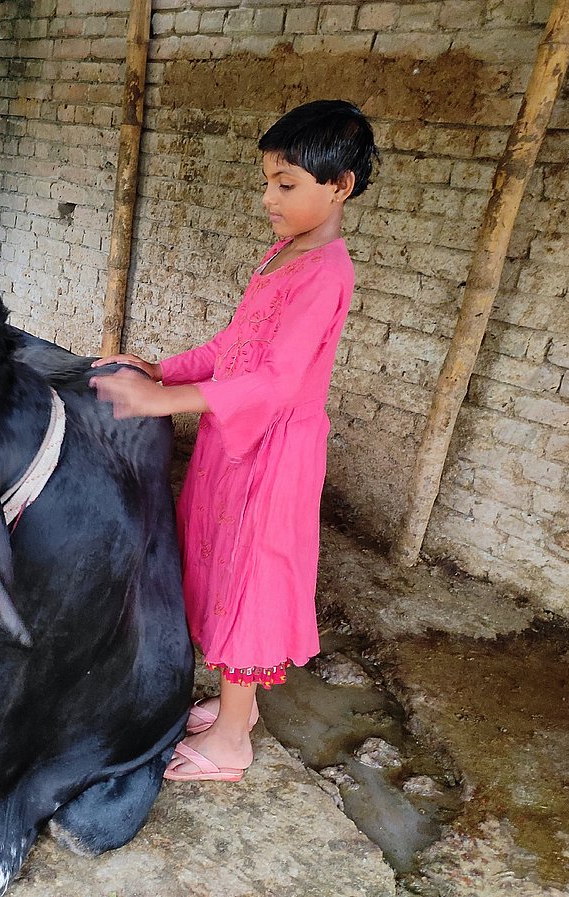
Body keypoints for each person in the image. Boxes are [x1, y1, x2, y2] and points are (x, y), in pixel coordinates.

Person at [91, 99, 378, 782]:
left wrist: (163, 400)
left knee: (250, 579)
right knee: (221, 563)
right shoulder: (283, 254)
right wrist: (166, 368)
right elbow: (235, 345)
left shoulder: (326, 272)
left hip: (274, 451)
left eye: (286, 184)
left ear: (339, 186)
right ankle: (236, 708)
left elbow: (277, 382)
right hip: (234, 439)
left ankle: (230, 743)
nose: (268, 198)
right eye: (268, 181)